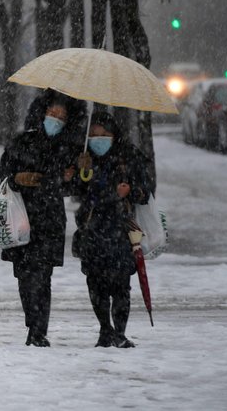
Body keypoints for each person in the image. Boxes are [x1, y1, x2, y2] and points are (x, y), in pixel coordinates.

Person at [0, 93, 80, 347]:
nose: (55, 120)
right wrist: (18, 179)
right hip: (21, 217)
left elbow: (75, 187)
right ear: (42, 113)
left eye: (61, 117)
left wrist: (70, 177)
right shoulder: (22, 142)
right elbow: (3, 175)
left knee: (42, 277)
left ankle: (38, 330)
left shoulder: (69, 148)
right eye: (52, 114)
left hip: (50, 220)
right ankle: (32, 322)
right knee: (24, 276)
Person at [72, 111, 150, 348]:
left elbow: (144, 192)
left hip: (120, 232)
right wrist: (79, 172)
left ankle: (120, 332)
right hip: (92, 231)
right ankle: (105, 330)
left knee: (120, 286)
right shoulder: (84, 157)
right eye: (94, 134)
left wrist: (130, 192)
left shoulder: (129, 157)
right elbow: (72, 189)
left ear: (114, 135)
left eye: (104, 134)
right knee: (96, 285)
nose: (99, 139)